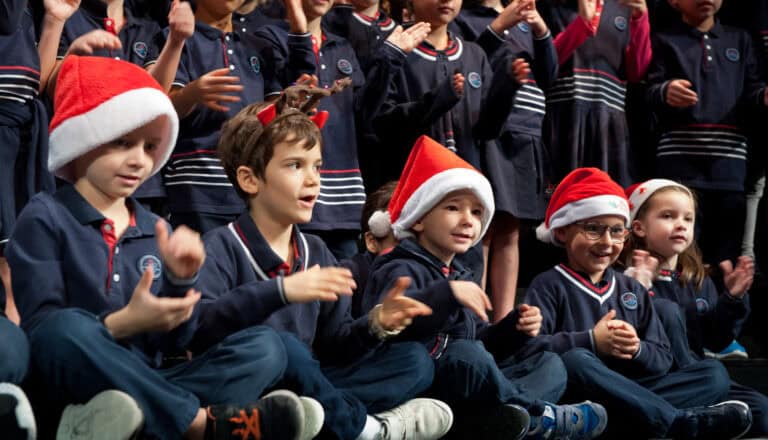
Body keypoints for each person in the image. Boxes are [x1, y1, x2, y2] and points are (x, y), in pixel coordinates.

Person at [5, 55, 309, 439]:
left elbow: (178, 341)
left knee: (265, 347)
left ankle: (132, 420)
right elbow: (42, 334)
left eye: (150, 146)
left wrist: (181, 283)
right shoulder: (45, 215)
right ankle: (198, 425)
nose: (139, 160)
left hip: (149, 379)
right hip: (73, 383)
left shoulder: (157, 227)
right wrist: (125, 323)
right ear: (82, 140)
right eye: (122, 142)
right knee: (64, 328)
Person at [194, 95, 453, 440]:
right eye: (295, 166)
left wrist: (376, 324)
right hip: (250, 385)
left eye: (316, 166)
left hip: (310, 383)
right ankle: (364, 429)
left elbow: (335, 344)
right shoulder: (218, 247)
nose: (314, 180)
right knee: (283, 347)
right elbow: (200, 331)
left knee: (414, 361)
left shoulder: (316, 250)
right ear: (250, 179)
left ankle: (307, 419)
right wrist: (279, 292)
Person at [363, 136, 608, 440]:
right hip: (424, 383)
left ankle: (508, 417)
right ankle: (535, 415)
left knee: (549, 364)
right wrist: (448, 295)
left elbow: (482, 340)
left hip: (469, 380)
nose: (468, 221)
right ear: (418, 219)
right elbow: (400, 326)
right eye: (454, 208)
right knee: (468, 354)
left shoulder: (461, 274)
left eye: (477, 212)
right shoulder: (398, 267)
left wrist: (513, 329)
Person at [522, 167, 753, 439]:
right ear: (562, 232)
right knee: (575, 361)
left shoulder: (630, 287)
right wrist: (592, 341)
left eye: (616, 231)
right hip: (584, 390)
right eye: (593, 229)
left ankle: (628, 418)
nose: (607, 241)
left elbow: (662, 358)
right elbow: (531, 351)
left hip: (634, 389)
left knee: (714, 375)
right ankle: (673, 421)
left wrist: (637, 350)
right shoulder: (548, 284)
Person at [254, 0, 430, 259]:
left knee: (342, 280)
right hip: (293, 189)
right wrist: (300, 35)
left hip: (344, 198)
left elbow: (364, 114)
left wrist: (390, 56)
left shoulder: (341, 46)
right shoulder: (268, 37)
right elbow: (279, 108)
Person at [623, 178, 768, 437]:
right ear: (639, 227)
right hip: (655, 380)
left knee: (762, 411)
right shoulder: (624, 277)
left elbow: (717, 340)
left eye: (688, 219)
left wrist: (732, 298)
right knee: (714, 374)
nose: (681, 224)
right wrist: (638, 288)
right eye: (668, 216)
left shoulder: (697, 279)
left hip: (698, 378)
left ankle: (685, 417)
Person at [645, 0, 767, 267]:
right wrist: (665, 91)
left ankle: (723, 295)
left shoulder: (740, 39)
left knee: (726, 257)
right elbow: (646, 91)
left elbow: (753, 91)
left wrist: (762, 96)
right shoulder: (664, 39)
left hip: (729, 166)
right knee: (680, 253)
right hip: (679, 164)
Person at [165, 0, 283, 233]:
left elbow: (271, 112)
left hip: (252, 187)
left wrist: (293, 104)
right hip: (196, 188)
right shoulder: (177, 38)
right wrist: (192, 93)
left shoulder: (257, 46)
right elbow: (164, 107)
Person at [539, 0, 651, 187]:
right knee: (563, 190)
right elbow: (545, 63)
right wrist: (582, 24)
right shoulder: (548, 7)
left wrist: (640, 19)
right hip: (564, 117)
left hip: (609, 121)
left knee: (608, 192)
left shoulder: (625, 6)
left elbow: (636, 72)